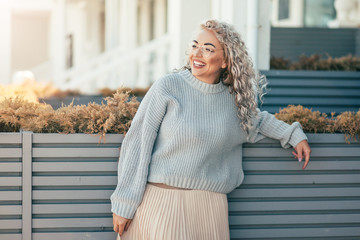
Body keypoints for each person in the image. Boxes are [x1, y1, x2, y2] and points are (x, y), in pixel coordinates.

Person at [111, 19, 311, 240]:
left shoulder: (234, 101)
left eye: (208, 49)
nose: (197, 54)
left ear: (225, 61)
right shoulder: (168, 87)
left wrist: (293, 135)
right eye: (195, 46)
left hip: (210, 209)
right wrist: (124, 204)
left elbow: (259, 121)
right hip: (161, 202)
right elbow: (138, 142)